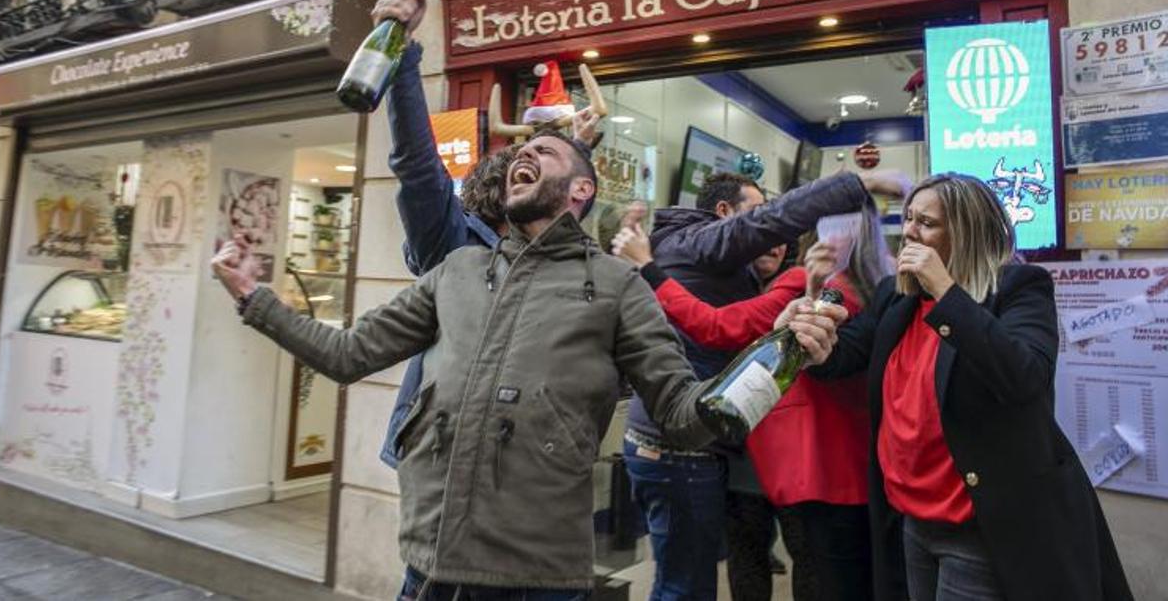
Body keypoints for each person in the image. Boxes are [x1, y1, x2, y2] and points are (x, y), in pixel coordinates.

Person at [213, 131, 840, 599]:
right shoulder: (455, 272)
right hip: (428, 564)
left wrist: (776, 355)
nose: (523, 154)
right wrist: (254, 297)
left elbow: (682, 413)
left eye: (543, 150)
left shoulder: (619, 284)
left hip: (537, 573)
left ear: (581, 189)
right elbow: (347, 355)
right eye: (521, 151)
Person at [778, 172, 1134, 601]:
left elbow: (1024, 379)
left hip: (977, 521)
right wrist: (811, 338)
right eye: (909, 219)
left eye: (927, 223)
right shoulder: (896, 295)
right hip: (910, 516)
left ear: (965, 232)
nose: (909, 231)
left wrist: (946, 290)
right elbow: (844, 356)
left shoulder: (1018, 288)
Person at [621, 168, 911, 601]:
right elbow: (721, 327)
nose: (774, 231)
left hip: (786, 452)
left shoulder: (814, 282)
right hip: (796, 453)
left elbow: (736, 329)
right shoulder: (880, 284)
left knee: (760, 562)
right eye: (760, 217)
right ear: (726, 214)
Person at [375, 0, 600, 468]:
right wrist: (402, 51)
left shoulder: (538, 253)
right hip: (443, 459)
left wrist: (577, 158)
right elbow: (416, 163)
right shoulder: (450, 244)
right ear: (508, 196)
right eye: (529, 171)